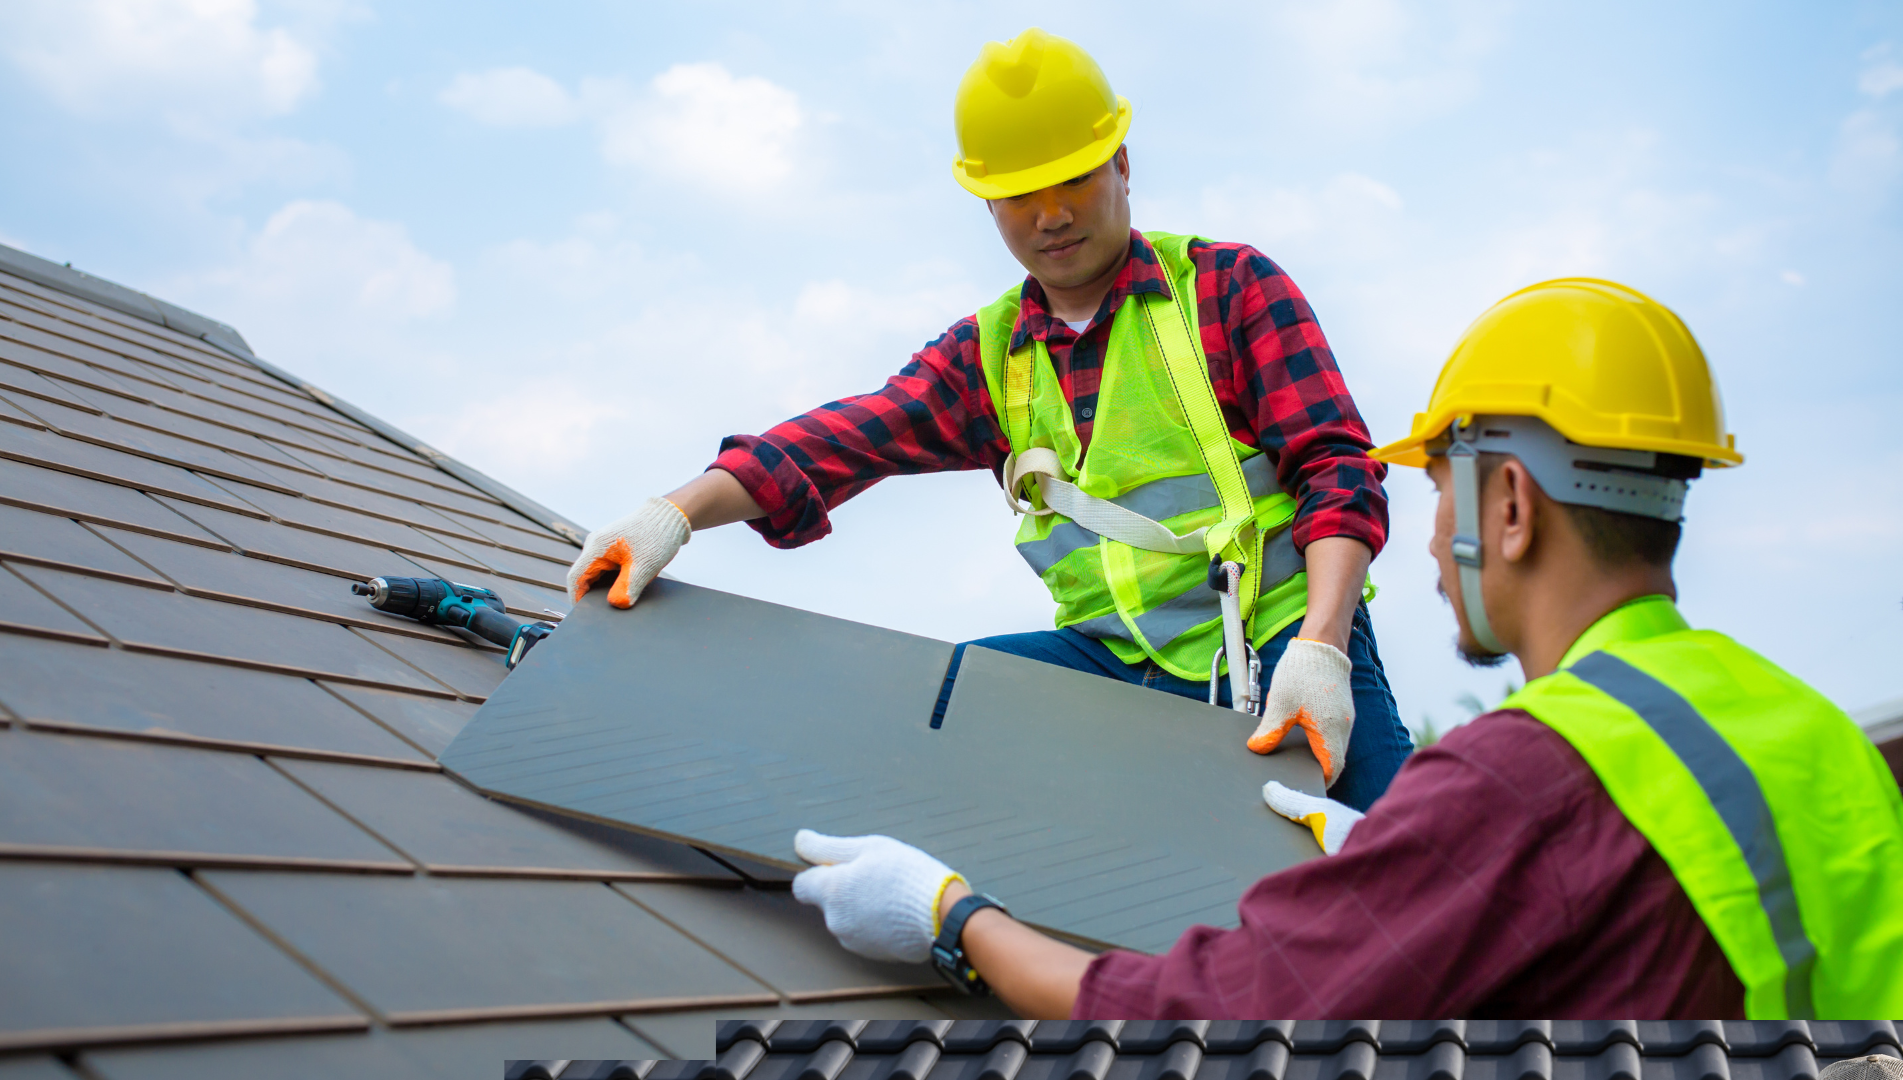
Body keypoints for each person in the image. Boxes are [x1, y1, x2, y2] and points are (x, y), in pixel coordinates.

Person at [787, 277, 1903, 1019]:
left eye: (1434, 489)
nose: (1422, 533)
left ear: (1509, 507)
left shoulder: (1524, 777)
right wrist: (1407, 859)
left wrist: (953, 920)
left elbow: (1212, 1022)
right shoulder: (1807, 729)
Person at [566, 28, 1411, 809]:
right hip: (1109, 663)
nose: (1052, 213)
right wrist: (674, 513)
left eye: (1075, 176)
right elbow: (844, 440)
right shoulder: (989, 354)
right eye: (1019, 193)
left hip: (1281, 641)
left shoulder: (1227, 289)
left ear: (1123, 164)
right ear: (987, 206)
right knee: (949, 707)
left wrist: (1324, 645)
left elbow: (1335, 467)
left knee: (1418, 869)